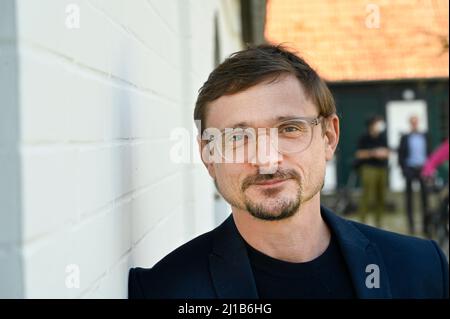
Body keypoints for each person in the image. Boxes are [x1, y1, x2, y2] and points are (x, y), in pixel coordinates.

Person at [128, 45, 448, 299]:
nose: (266, 161)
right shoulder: (163, 290)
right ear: (208, 154)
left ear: (329, 137)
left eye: (288, 129)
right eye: (237, 137)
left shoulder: (421, 268)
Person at [355, 115, 390, 227]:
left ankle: (379, 221)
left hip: (382, 168)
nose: (379, 125)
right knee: (367, 194)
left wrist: (384, 153)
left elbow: (388, 152)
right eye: (377, 123)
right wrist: (374, 153)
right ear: (371, 125)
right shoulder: (364, 138)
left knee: (381, 195)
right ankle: (362, 220)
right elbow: (359, 154)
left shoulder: (383, 137)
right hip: (369, 168)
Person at [398, 116, 431, 235]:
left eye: (416, 122)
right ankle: (411, 227)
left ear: (418, 123)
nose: (414, 125)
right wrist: (404, 169)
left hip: (423, 169)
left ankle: (426, 227)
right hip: (410, 169)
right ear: (410, 124)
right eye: (412, 123)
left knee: (425, 199)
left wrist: (429, 169)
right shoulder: (405, 137)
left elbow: (429, 153)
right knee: (409, 200)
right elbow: (400, 154)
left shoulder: (425, 136)